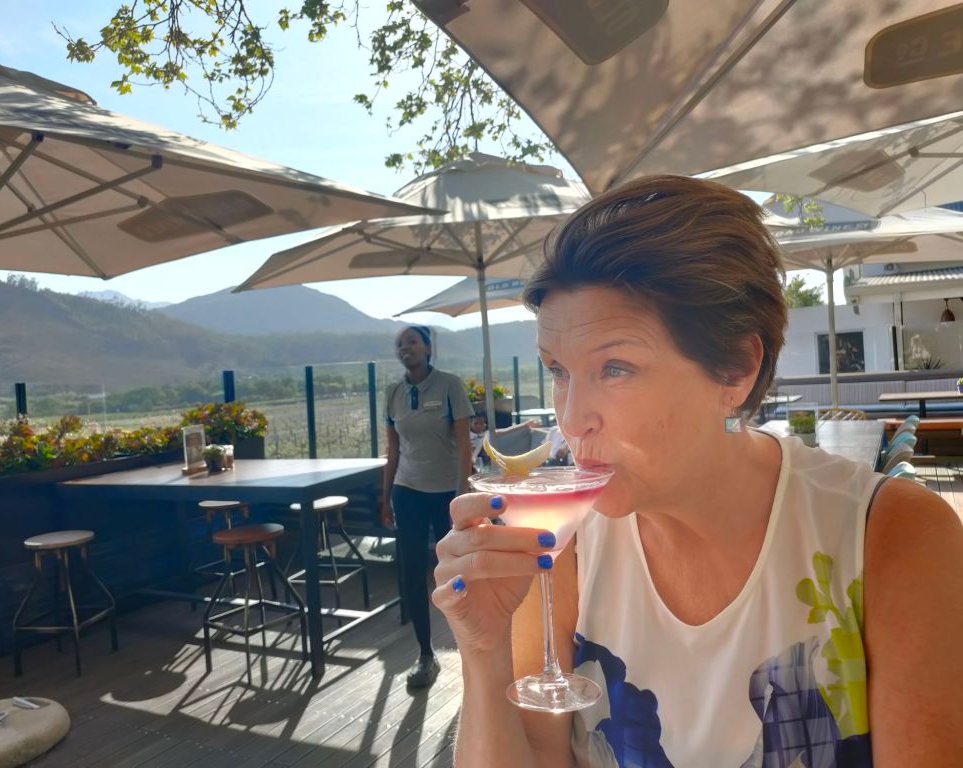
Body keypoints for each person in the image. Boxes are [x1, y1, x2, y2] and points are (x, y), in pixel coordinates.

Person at [432, 176, 963, 766]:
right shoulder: (561, 546)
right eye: (558, 370)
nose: (571, 419)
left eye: (615, 368)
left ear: (736, 368)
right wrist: (483, 652)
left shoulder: (889, 535)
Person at [382, 325, 473, 689]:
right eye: (399, 344)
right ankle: (424, 654)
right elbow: (392, 449)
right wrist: (384, 496)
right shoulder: (393, 393)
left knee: (455, 569)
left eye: (412, 342)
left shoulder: (449, 385)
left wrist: (462, 492)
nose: (405, 348)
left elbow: (464, 444)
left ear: (428, 348)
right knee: (411, 571)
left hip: (446, 492)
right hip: (407, 490)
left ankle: (471, 646)